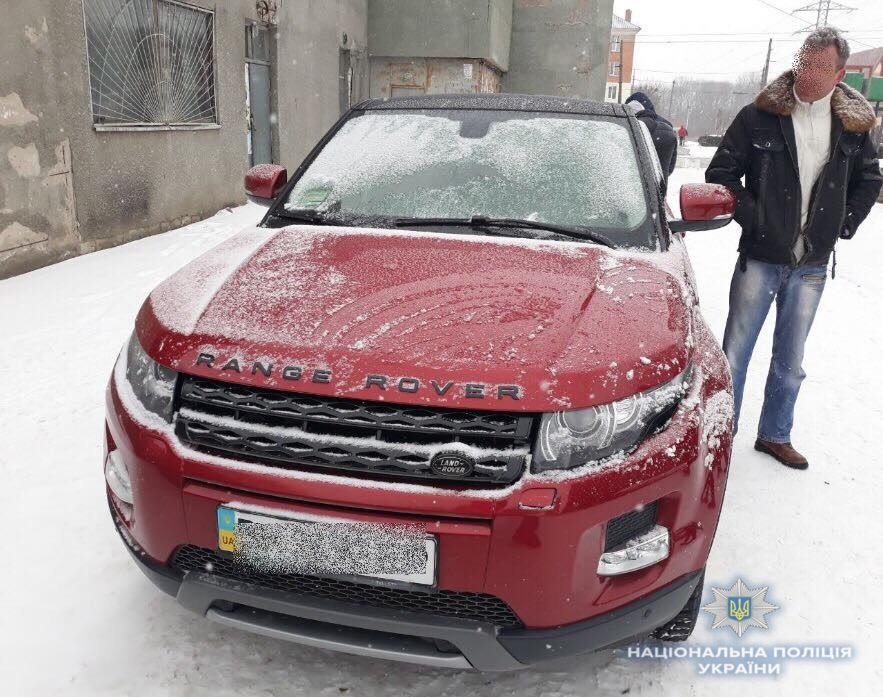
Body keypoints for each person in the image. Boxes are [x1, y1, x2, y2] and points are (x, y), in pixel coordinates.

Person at [705, 27, 882, 470]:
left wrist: (843, 222)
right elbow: (721, 173)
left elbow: (870, 179)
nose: (808, 73)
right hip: (761, 258)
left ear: (839, 74)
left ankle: (775, 434)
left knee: (791, 357)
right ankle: (722, 436)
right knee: (735, 352)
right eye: (804, 61)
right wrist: (757, 219)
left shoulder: (853, 126)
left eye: (821, 67)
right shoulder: (759, 116)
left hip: (812, 264)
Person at [625, 92, 678, 188]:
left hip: (628, 188)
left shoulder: (625, 127)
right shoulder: (667, 128)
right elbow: (670, 167)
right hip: (657, 189)